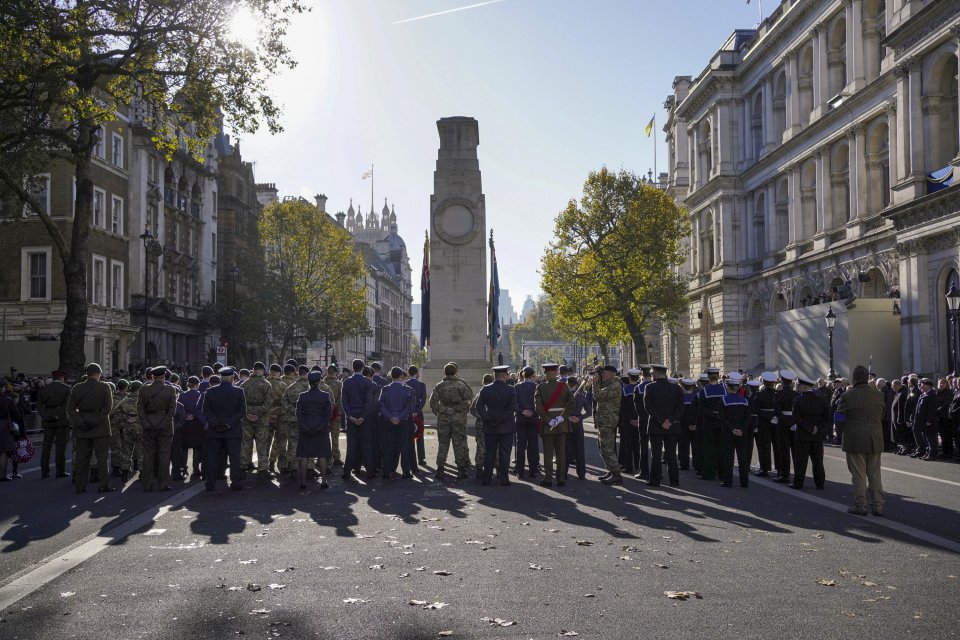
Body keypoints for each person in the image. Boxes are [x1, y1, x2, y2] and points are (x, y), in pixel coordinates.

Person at [835, 365, 885, 516]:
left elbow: (839, 417)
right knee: (875, 474)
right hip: (875, 436)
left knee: (858, 474)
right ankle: (878, 505)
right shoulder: (878, 394)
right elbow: (882, 415)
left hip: (855, 437)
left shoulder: (848, 395)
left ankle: (860, 504)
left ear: (854, 378)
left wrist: (840, 433)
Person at [67, 363, 114, 494]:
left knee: (82, 459)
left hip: (82, 428)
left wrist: (81, 422)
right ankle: (103, 485)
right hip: (101, 428)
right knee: (102, 458)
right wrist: (96, 421)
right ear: (98, 374)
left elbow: (70, 409)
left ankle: (80, 486)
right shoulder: (105, 387)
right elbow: (108, 408)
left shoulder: (77, 388)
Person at [201, 367, 247, 492]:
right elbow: (241, 411)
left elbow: (206, 410)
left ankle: (210, 483)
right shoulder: (239, 391)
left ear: (221, 377)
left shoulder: (210, 392)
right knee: (234, 457)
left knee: (213, 457)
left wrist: (216, 423)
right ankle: (235, 482)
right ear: (232, 378)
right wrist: (229, 424)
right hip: (233, 430)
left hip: (215, 430)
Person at [428, 362, 473, 481]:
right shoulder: (461, 385)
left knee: (443, 443)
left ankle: (440, 469)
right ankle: (461, 470)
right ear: (456, 372)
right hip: (458, 418)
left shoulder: (439, 386)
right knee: (458, 443)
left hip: (443, 419)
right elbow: (468, 400)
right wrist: (458, 410)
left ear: (444, 372)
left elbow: (432, 402)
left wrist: (442, 410)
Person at [137, 366, 178, 492]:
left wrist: (146, 423)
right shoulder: (170, 390)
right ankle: (163, 484)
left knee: (148, 455)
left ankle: (147, 484)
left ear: (153, 377)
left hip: (148, 424)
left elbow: (140, 409)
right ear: (164, 376)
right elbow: (172, 410)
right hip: (164, 426)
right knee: (164, 455)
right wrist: (163, 423)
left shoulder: (143, 390)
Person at [476, 365, 517, 486]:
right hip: (506, 426)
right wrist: (501, 418)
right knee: (505, 453)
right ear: (504, 376)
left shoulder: (485, 389)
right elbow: (512, 408)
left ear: (495, 376)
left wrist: (487, 417)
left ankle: (486, 478)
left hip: (490, 425)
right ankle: (504, 479)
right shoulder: (511, 389)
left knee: (489, 452)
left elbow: (479, 406)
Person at [644, 364, 684, 487]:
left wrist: (661, 420)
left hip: (656, 425)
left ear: (656, 373)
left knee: (656, 454)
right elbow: (680, 407)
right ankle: (674, 480)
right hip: (672, 426)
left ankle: (655, 480)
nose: (651, 375)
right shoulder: (676, 388)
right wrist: (670, 420)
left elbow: (648, 407)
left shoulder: (649, 387)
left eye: (652, 373)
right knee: (671, 454)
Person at [534, 363, 574, 488]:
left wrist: (548, 420)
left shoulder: (540, 387)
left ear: (546, 374)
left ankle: (548, 478)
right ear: (556, 373)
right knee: (561, 453)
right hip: (562, 424)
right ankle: (561, 478)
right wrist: (562, 417)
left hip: (548, 424)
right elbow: (572, 403)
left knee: (548, 453)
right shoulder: (564, 386)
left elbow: (538, 407)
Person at [791, 374, 831, 490]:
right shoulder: (821, 399)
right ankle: (820, 483)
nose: (797, 386)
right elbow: (826, 418)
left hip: (803, 434)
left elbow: (797, 418)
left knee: (801, 461)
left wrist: (808, 428)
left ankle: (798, 483)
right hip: (817, 435)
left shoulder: (798, 400)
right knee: (818, 461)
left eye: (799, 385)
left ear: (804, 386)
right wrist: (817, 428)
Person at [295, 370, 333, 489]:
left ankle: (303, 481)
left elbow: (299, 415)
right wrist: (320, 427)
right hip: (320, 429)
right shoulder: (325, 396)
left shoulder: (302, 396)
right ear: (319, 382)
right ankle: (324, 481)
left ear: (309, 382)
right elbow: (327, 415)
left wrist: (305, 427)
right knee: (322, 455)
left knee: (304, 455)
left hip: (306, 429)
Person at [341, 359, 377, 482]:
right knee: (366, 445)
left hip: (351, 417)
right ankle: (370, 471)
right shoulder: (367, 382)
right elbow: (368, 401)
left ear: (353, 368)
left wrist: (350, 415)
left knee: (351, 446)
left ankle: (347, 472)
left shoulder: (347, 382)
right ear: (362, 369)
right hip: (364, 417)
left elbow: (344, 401)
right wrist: (363, 416)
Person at [379, 367, 416, 480]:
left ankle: (387, 470)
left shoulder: (385, 389)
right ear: (401, 376)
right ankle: (406, 471)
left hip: (388, 421)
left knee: (388, 446)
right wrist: (399, 417)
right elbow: (409, 407)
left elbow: (381, 405)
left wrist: (390, 417)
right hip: (403, 420)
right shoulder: (407, 389)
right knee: (404, 446)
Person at [240, 362, 275, 480]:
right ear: (263, 371)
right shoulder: (267, 384)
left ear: (253, 370)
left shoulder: (244, 384)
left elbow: (241, 402)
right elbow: (269, 402)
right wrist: (258, 413)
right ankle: (262, 470)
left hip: (247, 417)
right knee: (262, 444)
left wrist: (248, 413)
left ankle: (243, 467)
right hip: (262, 418)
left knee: (246, 443)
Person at [36, 370, 72, 478]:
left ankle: (45, 471)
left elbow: (39, 406)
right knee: (60, 447)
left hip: (48, 420)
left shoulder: (44, 389)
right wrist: (58, 415)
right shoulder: (66, 389)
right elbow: (67, 405)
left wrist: (46, 416)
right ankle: (60, 471)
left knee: (46, 447)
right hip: (61, 421)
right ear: (62, 378)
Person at [718, 374, 752, 488]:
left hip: (728, 432)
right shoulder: (744, 400)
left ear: (728, 387)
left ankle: (728, 481)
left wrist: (732, 428)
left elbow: (722, 417)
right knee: (743, 458)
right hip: (742, 432)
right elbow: (747, 417)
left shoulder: (723, 400)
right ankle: (744, 482)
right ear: (737, 388)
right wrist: (741, 429)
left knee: (729, 457)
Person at [593, 365, 623, 485]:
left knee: (607, 448)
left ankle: (616, 474)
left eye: (604, 373)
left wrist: (594, 384)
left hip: (608, 420)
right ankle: (611, 470)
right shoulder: (608, 384)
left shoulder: (614, 386)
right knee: (602, 447)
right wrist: (598, 378)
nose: (603, 375)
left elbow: (598, 396)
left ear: (611, 374)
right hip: (603, 420)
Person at [696, 368, 725, 481]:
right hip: (721, 422)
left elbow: (702, 407)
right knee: (721, 448)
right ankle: (721, 472)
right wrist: (719, 414)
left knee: (709, 448)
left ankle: (709, 473)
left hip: (708, 423)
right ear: (718, 377)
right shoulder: (724, 389)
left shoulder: (705, 391)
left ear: (708, 378)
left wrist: (712, 414)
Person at [111, 380, 143, 483]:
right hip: (141, 429)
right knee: (141, 451)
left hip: (128, 430)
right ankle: (142, 474)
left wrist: (125, 423)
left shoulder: (123, 401)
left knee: (126, 452)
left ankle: (124, 474)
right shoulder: (143, 401)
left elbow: (116, 419)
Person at [513, 366, 540, 479]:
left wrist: (522, 411)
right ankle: (533, 470)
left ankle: (520, 470)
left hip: (521, 417)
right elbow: (539, 403)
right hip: (533, 418)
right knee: (533, 444)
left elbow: (514, 403)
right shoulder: (537, 387)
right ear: (533, 375)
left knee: (520, 444)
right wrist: (533, 412)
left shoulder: (517, 387)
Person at [772, 370, 799, 484]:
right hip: (794, 424)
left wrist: (784, 421)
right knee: (796, 452)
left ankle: (784, 475)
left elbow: (777, 410)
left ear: (782, 382)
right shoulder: (796, 394)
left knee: (784, 451)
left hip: (783, 425)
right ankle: (798, 474)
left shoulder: (779, 394)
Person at [180, 376, 207, 481]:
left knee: (184, 448)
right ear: (197, 385)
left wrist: (186, 415)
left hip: (185, 424)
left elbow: (179, 408)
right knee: (197, 448)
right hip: (197, 424)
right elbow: (201, 410)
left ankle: (183, 467)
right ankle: (196, 468)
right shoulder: (199, 395)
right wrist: (194, 416)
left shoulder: (182, 395)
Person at [469, 374, 495, 479]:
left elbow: (472, 409)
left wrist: (481, 417)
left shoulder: (480, 393)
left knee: (480, 447)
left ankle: (479, 469)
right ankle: (497, 467)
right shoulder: (495, 392)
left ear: (483, 382)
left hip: (481, 424)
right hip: (494, 423)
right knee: (495, 446)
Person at [752, 372, 778, 477]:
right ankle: (779, 468)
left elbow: (756, 409)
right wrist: (773, 416)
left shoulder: (759, 394)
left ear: (763, 382)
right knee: (777, 446)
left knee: (764, 446)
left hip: (763, 423)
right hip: (775, 423)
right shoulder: (777, 394)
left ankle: (764, 468)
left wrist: (767, 416)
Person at [566, 376, 590, 480]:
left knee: (565, 449)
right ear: (576, 384)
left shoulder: (564, 396)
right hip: (578, 424)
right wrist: (580, 418)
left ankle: (563, 472)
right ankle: (581, 473)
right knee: (580, 449)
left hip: (567, 423)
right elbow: (589, 411)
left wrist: (568, 418)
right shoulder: (581, 396)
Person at [618, 369, 640, 476]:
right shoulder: (642, 389)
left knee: (628, 444)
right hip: (641, 421)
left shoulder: (625, 390)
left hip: (627, 421)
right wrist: (638, 419)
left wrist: (630, 419)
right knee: (638, 444)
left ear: (630, 377)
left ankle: (628, 466)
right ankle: (638, 466)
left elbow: (623, 408)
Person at [912, 378, 939, 461]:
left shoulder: (932, 395)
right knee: (925, 437)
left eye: (922, 384)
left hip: (929, 422)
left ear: (928, 385)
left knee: (931, 438)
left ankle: (932, 454)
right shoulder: (923, 394)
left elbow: (932, 410)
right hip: (922, 421)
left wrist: (929, 420)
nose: (921, 386)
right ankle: (927, 452)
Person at [406, 366, 428, 467]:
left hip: (407, 414)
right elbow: (423, 400)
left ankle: (410, 458)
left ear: (409, 373)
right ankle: (421, 458)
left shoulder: (405, 384)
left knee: (408, 436)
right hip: (418, 413)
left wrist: (410, 411)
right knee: (419, 435)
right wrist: (417, 410)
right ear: (417, 373)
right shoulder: (422, 385)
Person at [324, 364, 345, 467]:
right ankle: (336, 457)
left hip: (323, 413)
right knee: (335, 437)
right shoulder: (338, 384)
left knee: (324, 437)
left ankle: (324, 457)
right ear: (336, 372)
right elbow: (341, 400)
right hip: (335, 412)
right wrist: (337, 411)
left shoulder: (322, 383)